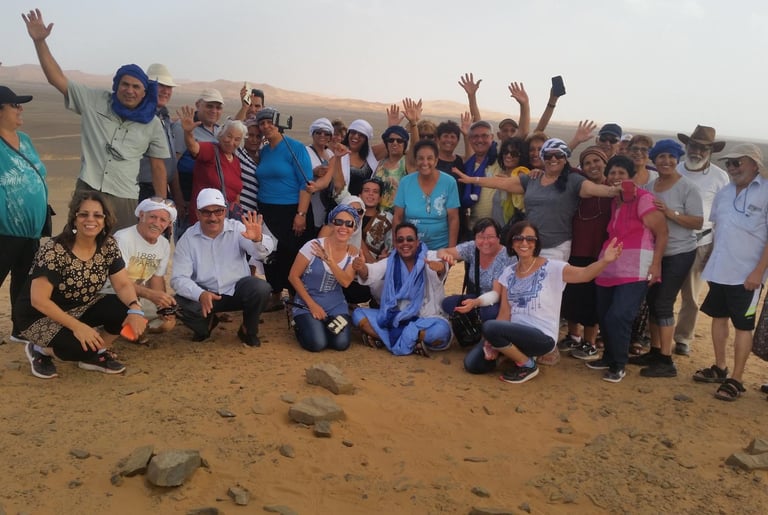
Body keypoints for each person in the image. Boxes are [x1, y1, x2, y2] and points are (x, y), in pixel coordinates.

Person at [23, 9, 170, 231]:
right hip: (88, 188)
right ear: (117, 85)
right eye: (125, 84)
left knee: (117, 253)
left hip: (124, 197)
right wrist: (40, 42)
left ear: (144, 91)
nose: (129, 90)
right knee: (73, 248)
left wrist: (161, 206)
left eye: (135, 86)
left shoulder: (153, 123)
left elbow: (158, 166)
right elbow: (57, 79)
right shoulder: (95, 101)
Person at [14, 191, 147, 379]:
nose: (90, 219)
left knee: (122, 309)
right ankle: (40, 350)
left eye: (97, 215)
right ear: (74, 218)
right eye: (83, 214)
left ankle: (95, 354)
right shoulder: (55, 250)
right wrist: (78, 327)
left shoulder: (108, 246)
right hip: (39, 316)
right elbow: (39, 301)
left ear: (105, 220)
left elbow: (123, 284)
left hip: (80, 306)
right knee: (77, 348)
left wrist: (135, 309)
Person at [477, 221, 623, 383]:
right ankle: (516, 355)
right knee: (475, 364)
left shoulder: (553, 267)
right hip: (516, 333)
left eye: (530, 239)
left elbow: (585, 274)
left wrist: (605, 261)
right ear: (512, 242)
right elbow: (505, 312)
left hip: (542, 336)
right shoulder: (508, 273)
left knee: (489, 327)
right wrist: (491, 341)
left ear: (537, 243)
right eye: (518, 238)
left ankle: (527, 365)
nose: (524, 243)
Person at [456, 138, 620, 261]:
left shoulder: (573, 181)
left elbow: (595, 189)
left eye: (559, 155)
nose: (553, 159)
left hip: (557, 247)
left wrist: (614, 190)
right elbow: (503, 182)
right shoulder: (533, 179)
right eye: (548, 155)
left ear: (565, 158)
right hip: (529, 244)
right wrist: (473, 180)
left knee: (548, 295)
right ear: (543, 158)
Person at [694, 144, 768, 401]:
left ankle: (736, 378)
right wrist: (710, 259)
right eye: (729, 163)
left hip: (747, 275)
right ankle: (720, 367)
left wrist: (759, 272)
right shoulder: (724, 193)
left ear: (755, 164)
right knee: (718, 318)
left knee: (743, 326)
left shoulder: (767, 191)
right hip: (720, 269)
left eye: (738, 162)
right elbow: (717, 228)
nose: (733, 167)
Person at [586, 156, 668, 381]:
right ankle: (609, 356)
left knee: (619, 314)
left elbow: (662, 232)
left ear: (631, 176)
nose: (615, 177)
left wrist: (656, 264)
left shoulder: (643, 198)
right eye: (612, 173)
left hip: (636, 267)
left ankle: (619, 363)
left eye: (621, 173)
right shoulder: (615, 200)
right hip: (610, 265)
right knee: (604, 313)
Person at [630, 140, 703, 378]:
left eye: (671, 157)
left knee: (663, 303)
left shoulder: (687, 187)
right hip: (657, 253)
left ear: (678, 159)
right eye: (661, 156)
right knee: (653, 301)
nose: (666, 161)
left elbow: (698, 222)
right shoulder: (651, 187)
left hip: (680, 252)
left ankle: (666, 359)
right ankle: (654, 350)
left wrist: (671, 213)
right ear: (654, 159)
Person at [171, 189, 274, 346]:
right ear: (197, 214)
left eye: (218, 212)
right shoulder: (187, 238)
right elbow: (178, 278)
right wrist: (200, 294)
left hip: (236, 290)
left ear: (224, 212)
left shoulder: (237, 228)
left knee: (261, 288)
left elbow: (261, 253)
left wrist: (258, 239)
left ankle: (248, 330)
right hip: (206, 294)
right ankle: (207, 324)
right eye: (206, 212)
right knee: (176, 303)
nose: (213, 217)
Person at [352, 222, 451, 356]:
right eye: (400, 240)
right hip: (397, 318)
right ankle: (413, 341)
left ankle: (391, 339)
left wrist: (440, 268)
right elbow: (371, 271)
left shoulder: (430, 257)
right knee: (358, 315)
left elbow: (442, 266)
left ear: (417, 241)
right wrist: (361, 267)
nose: (405, 243)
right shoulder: (391, 261)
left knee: (441, 331)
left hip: (427, 319)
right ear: (395, 243)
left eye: (409, 239)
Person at [673, 125, 729, 356]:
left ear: (711, 151)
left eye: (703, 148)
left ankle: (683, 338)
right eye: (693, 146)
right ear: (687, 146)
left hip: (702, 242)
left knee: (691, 296)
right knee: (663, 292)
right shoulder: (676, 169)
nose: (697, 151)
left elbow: (723, 216)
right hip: (673, 240)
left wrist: (715, 249)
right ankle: (654, 335)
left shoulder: (720, 177)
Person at [0, 85, 49, 344]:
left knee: (24, 283)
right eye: (15, 105)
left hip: (30, 230)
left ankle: (20, 328)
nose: (21, 109)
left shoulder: (25, 139)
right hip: (3, 230)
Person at [255, 107, 313, 307]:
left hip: (291, 210)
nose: (266, 126)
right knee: (270, 254)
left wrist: (301, 214)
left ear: (278, 123)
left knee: (291, 253)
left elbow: (306, 184)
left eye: (269, 121)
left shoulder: (295, 148)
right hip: (267, 209)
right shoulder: (263, 151)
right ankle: (275, 295)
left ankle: (296, 297)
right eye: (262, 123)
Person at [561, 147, 613, 359]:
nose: (593, 166)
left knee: (593, 298)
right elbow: (559, 164)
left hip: (600, 251)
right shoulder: (578, 184)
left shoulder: (615, 188)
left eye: (596, 161)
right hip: (576, 248)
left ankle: (590, 342)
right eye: (588, 163)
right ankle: (573, 335)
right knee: (572, 294)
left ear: (605, 163)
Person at [99, 198, 178, 337]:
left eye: (163, 220)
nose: (157, 223)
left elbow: (156, 278)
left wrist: (162, 305)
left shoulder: (164, 244)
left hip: (137, 295)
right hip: (111, 293)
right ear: (141, 215)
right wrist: (150, 295)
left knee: (167, 323)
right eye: (153, 217)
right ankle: (105, 340)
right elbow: (118, 283)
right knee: (123, 310)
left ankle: (133, 331)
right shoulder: (123, 238)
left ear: (169, 224)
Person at [288, 205, 360, 352]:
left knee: (341, 343)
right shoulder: (313, 246)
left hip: (335, 306)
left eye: (349, 224)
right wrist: (312, 305)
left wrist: (329, 260)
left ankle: (319, 326)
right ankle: (301, 324)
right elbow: (293, 276)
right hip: (307, 304)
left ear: (354, 229)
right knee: (317, 343)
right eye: (339, 222)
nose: (343, 227)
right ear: (332, 224)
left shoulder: (353, 253)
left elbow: (345, 282)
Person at [178, 106, 246, 225]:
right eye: (228, 136)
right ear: (220, 135)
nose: (231, 142)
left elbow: (236, 194)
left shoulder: (236, 162)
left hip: (226, 221)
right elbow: (193, 148)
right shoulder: (211, 150)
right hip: (205, 219)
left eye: (237, 139)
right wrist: (188, 132)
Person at [172, 88, 224, 235]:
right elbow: (173, 164)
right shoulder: (183, 126)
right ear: (198, 105)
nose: (214, 110)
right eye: (209, 106)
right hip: (188, 197)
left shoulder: (220, 132)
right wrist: (179, 199)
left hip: (212, 203)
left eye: (218, 107)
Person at [393, 140, 460, 249]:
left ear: (436, 160)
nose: (425, 163)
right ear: (415, 160)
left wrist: (451, 250)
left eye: (429, 158)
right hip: (410, 248)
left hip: (440, 248)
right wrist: (397, 247)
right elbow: (397, 217)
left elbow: (453, 218)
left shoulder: (449, 182)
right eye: (420, 158)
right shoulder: (405, 182)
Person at [137, 64, 181, 204]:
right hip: (142, 191)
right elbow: (157, 166)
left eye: (169, 87)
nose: (165, 91)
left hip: (161, 191)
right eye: (160, 85)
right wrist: (161, 203)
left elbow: (170, 162)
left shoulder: (164, 117)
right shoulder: (140, 116)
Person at [305, 118, 337, 237]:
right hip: (309, 203)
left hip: (324, 205)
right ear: (312, 133)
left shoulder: (331, 154)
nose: (322, 135)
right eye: (318, 132)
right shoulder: (305, 152)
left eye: (326, 133)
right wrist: (313, 172)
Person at [373, 125, 413, 212]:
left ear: (405, 144)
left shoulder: (407, 162)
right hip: (378, 215)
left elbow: (415, 147)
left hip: (399, 215)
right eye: (391, 140)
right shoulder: (380, 163)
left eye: (399, 141)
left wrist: (413, 124)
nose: (395, 143)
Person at [237, 117, 261, 214]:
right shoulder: (238, 152)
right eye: (250, 135)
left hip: (258, 213)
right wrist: (245, 107)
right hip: (241, 211)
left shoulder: (264, 156)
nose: (254, 140)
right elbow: (231, 128)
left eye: (258, 136)